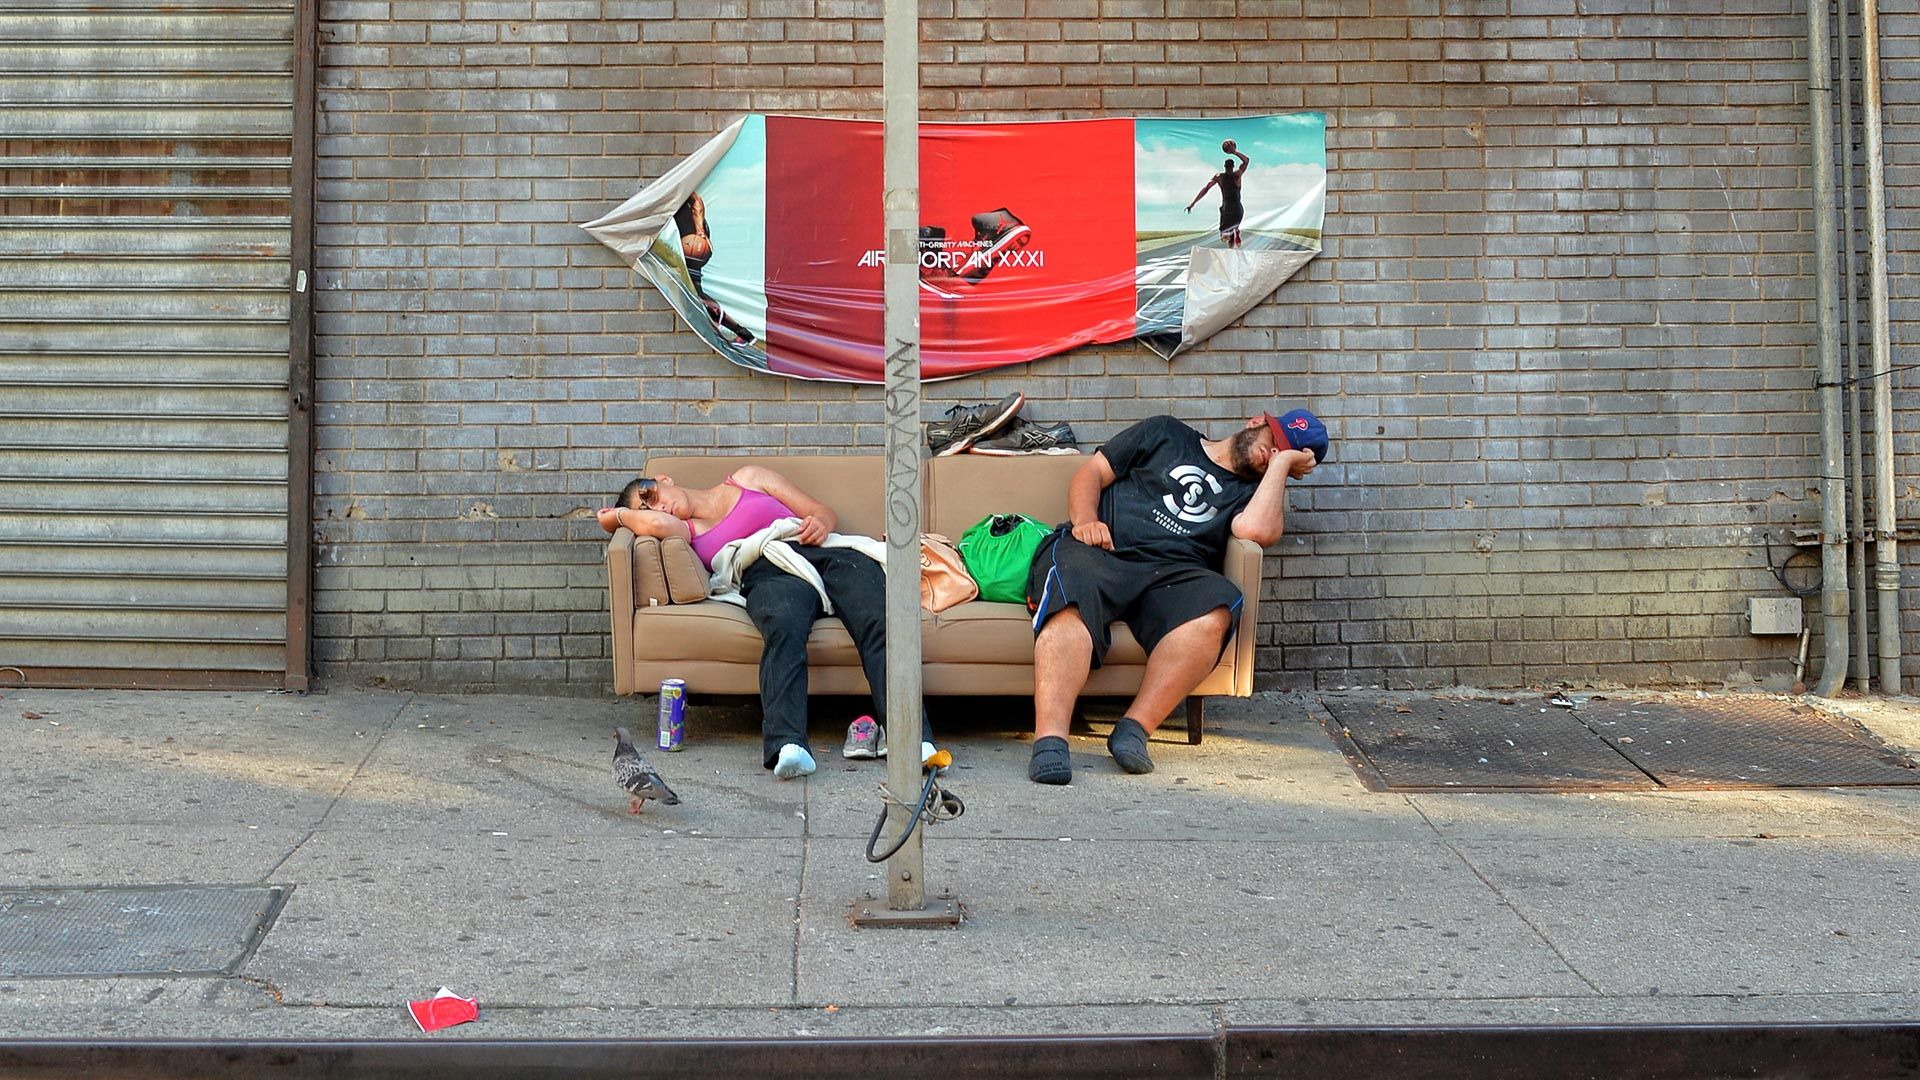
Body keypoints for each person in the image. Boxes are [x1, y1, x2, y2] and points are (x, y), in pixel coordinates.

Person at [1024, 408, 1330, 784]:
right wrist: (1086, 521)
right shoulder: (1165, 433)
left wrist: (1279, 468)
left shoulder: (1254, 492)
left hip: (1172, 575)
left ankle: (1134, 729)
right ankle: (1050, 740)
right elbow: (1093, 472)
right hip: (1101, 552)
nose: (1272, 453)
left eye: (1286, 454)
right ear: (1255, 422)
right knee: (1069, 602)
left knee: (1218, 607)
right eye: (1275, 442)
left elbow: (1254, 531)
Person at [598, 468, 929, 779]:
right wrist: (619, 517)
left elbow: (821, 510)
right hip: (767, 570)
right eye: (646, 507)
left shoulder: (747, 479)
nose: (658, 506)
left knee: (879, 617)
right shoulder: (686, 531)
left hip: (822, 551)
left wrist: (820, 524)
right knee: (782, 625)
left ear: (663, 479)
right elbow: (655, 526)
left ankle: (911, 737)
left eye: (651, 494)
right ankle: (789, 745)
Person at [1185, 139, 1250, 248]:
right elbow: (1246, 161)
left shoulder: (1225, 176)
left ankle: (1235, 233)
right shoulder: (1232, 176)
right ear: (1232, 166)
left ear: (1225, 166)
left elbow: (1206, 189)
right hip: (1232, 209)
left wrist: (1193, 203)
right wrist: (1234, 152)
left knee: (1225, 237)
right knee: (1228, 238)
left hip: (1230, 208)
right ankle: (1236, 231)